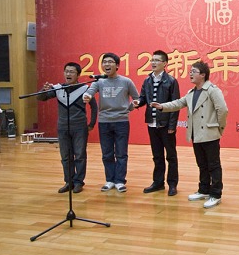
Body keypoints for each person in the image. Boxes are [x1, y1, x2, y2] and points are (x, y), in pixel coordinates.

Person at [151, 61, 228, 209]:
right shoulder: (191, 92)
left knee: (213, 165)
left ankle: (216, 194)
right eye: (190, 71)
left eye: (193, 71)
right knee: (202, 164)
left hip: (210, 134)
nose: (190, 74)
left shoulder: (212, 90)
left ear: (203, 75)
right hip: (196, 134)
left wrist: (219, 128)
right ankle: (204, 190)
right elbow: (178, 103)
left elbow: (223, 110)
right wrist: (161, 106)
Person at [37, 62, 98, 194]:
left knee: (80, 155)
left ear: (78, 75)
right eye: (66, 71)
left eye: (72, 72)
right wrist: (43, 90)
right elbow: (41, 98)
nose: (68, 74)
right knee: (65, 156)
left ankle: (79, 182)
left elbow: (94, 107)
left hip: (80, 127)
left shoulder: (85, 89)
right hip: (63, 127)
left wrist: (91, 124)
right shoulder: (57, 88)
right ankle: (69, 181)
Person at [83, 53, 139, 193]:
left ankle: (119, 180)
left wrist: (130, 107)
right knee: (107, 153)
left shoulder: (126, 81)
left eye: (110, 62)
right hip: (104, 121)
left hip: (121, 121)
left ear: (117, 65)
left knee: (121, 153)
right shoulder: (99, 81)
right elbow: (90, 92)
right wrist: (87, 96)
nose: (107, 64)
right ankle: (110, 180)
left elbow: (137, 98)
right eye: (104, 62)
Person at [132, 50, 181, 196]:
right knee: (157, 155)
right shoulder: (147, 80)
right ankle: (158, 183)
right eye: (152, 60)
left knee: (171, 156)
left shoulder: (171, 81)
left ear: (165, 64)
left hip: (165, 125)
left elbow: (176, 105)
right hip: (152, 124)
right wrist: (138, 102)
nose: (153, 63)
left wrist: (172, 126)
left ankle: (172, 184)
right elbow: (143, 98)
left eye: (157, 60)